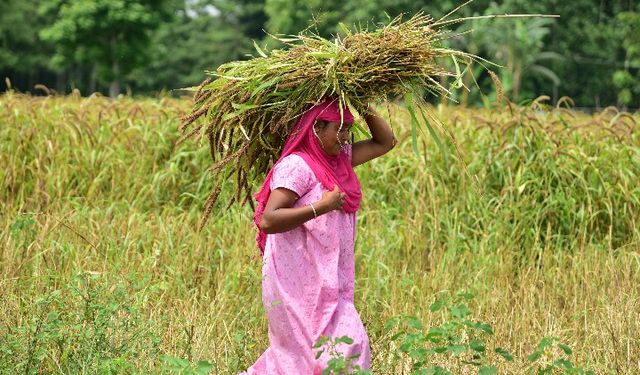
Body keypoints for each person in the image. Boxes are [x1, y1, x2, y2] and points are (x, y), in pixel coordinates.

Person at [241, 97, 396, 374]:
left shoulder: (340, 160)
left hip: (330, 278)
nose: (345, 137)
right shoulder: (297, 167)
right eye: (339, 129)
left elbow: (385, 142)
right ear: (315, 129)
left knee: (340, 348)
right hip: (296, 281)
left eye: (348, 129)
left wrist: (361, 103)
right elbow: (268, 219)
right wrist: (322, 206)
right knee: (305, 356)